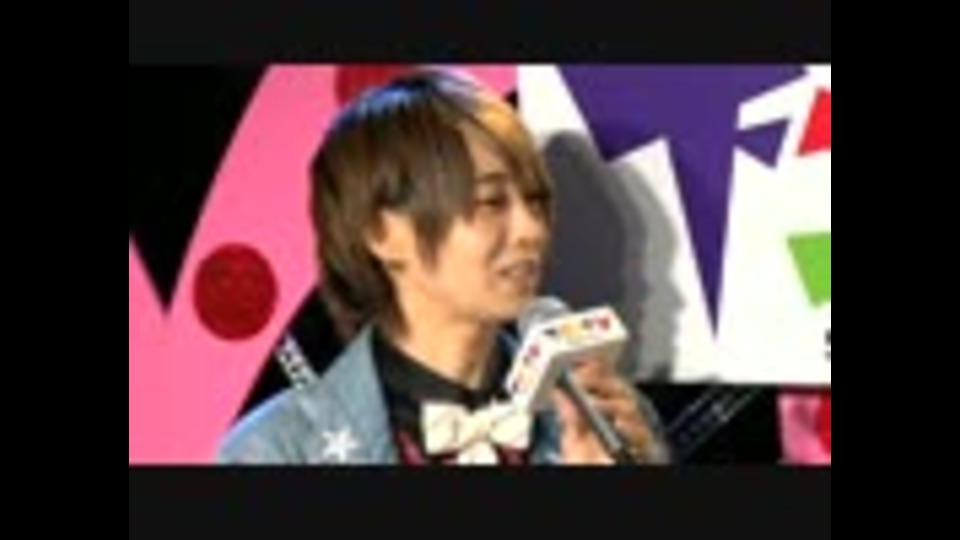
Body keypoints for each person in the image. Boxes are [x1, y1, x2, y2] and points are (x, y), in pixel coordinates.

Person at [218, 68, 670, 465]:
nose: (531, 229)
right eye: (491, 201)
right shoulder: (278, 449)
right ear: (383, 233)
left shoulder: (603, 417)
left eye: (535, 200)